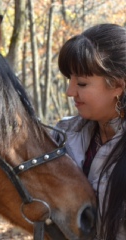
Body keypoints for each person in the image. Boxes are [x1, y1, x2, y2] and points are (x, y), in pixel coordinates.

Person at [52, 23, 126, 240]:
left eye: (82, 83)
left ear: (118, 86)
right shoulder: (61, 135)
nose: (69, 92)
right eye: (70, 80)